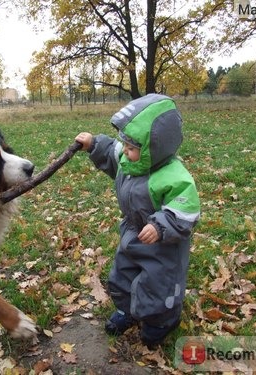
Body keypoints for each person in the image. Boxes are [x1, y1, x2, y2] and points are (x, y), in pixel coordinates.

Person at [74, 94, 200, 349]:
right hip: (133, 233)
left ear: (155, 147)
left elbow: (185, 208)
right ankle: (128, 310)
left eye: (132, 148)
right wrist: (93, 144)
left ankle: (162, 321)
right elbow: (112, 152)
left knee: (158, 285)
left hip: (163, 244)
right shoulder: (130, 158)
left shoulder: (174, 176)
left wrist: (160, 224)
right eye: (126, 145)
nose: (126, 152)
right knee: (122, 275)